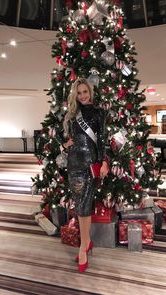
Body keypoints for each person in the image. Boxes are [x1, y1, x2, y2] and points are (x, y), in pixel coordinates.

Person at [62, 78, 109, 273]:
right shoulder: (72, 115)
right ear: (75, 94)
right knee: (81, 205)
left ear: (90, 92)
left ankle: (83, 246)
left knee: (84, 206)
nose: (82, 95)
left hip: (90, 165)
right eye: (79, 93)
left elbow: (102, 140)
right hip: (74, 164)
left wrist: (104, 161)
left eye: (85, 92)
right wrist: (65, 144)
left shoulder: (99, 113)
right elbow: (59, 134)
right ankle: (87, 242)